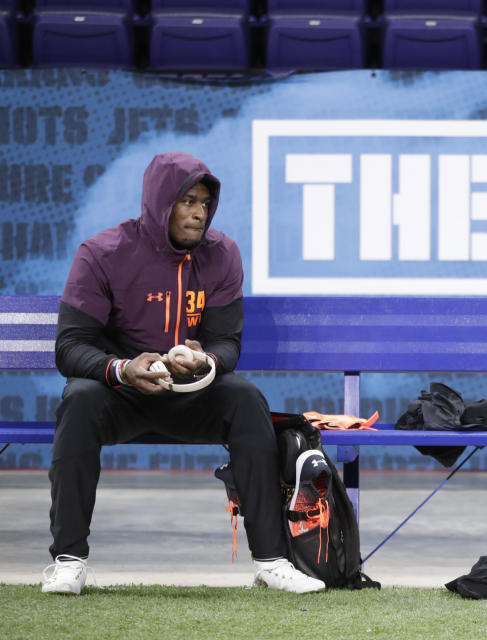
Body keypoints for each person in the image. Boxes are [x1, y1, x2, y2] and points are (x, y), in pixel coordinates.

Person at [42, 152, 324, 595]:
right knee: (78, 400)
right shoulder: (102, 253)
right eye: (187, 201)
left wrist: (204, 360)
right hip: (121, 394)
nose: (199, 213)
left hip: (191, 394)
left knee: (246, 399)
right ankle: (68, 560)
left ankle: (271, 560)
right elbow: (70, 346)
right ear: (160, 202)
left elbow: (227, 343)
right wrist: (120, 369)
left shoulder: (222, 253)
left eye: (205, 204)